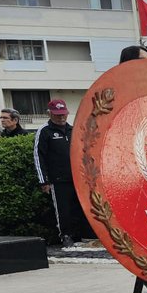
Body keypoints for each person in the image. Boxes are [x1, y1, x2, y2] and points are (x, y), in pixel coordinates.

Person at [34, 99, 91, 245]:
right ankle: (65, 235)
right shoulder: (44, 131)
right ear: (49, 114)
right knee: (63, 210)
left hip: (78, 178)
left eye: (63, 114)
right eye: (57, 114)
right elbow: (38, 156)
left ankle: (82, 235)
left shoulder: (73, 130)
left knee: (80, 208)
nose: (61, 117)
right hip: (58, 179)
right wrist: (43, 180)